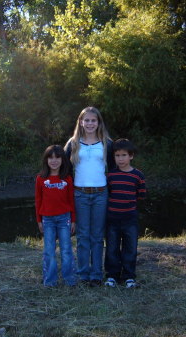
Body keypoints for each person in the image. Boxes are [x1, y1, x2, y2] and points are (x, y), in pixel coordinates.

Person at [64, 106, 114, 286]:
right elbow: (65, 170)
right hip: (80, 194)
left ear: (98, 122)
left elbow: (114, 170)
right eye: (87, 120)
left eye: (94, 120)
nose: (90, 123)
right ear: (81, 122)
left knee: (98, 235)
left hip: (101, 194)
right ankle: (83, 273)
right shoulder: (73, 143)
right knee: (83, 235)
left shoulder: (107, 143)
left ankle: (96, 274)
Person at [104, 138, 146, 288]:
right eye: (117, 156)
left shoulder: (138, 176)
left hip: (130, 219)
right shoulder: (110, 175)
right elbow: (108, 194)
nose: (120, 159)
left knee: (130, 248)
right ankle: (112, 276)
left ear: (131, 156)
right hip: (112, 219)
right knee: (112, 248)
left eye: (123, 155)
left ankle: (129, 276)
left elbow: (141, 196)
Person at [35, 145, 77, 287]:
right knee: (49, 251)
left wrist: (73, 220)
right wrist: (39, 220)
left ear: (62, 159)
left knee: (66, 250)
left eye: (57, 157)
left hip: (64, 219)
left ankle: (69, 280)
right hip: (47, 220)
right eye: (50, 157)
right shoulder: (41, 179)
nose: (54, 161)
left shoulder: (67, 179)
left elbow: (71, 201)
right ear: (46, 160)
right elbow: (38, 201)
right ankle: (50, 281)